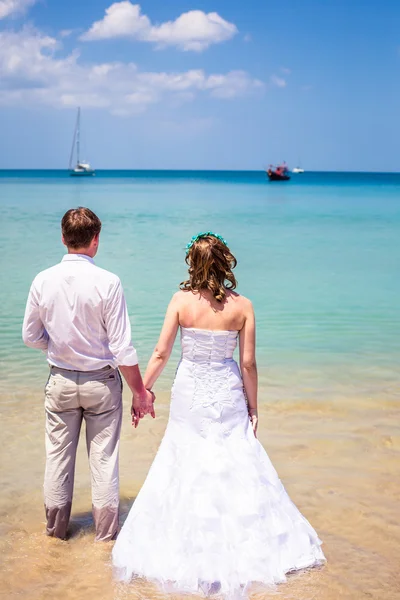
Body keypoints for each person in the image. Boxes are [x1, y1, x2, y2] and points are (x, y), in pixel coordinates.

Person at [112, 232, 325, 597]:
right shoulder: (243, 307)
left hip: (190, 392)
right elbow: (248, 363)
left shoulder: (180, 301)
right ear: (225, 262)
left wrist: (142, 391)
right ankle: (245, 551)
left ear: (192, 263)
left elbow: (162, 353)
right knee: (235, 460)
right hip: (226, 393)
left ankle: (181, 550)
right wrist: (254, 407)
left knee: (182, 460)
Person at [22, 207, 154, 542]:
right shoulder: (109, 282)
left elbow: (30, 336)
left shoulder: (41, 279)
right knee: (104, 462)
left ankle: (54, 536)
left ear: (63, 238)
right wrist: (141, 392)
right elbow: (123, 348)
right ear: (96, 240)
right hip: (102, 384)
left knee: (57, 459)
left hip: (61, 380)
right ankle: (105, 540)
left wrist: (59, 348)